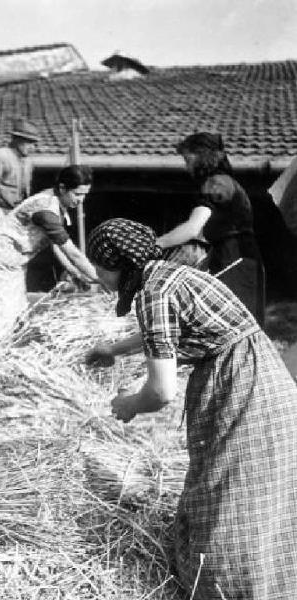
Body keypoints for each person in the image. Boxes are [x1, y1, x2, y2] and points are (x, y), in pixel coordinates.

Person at [86, 218, 297, 600]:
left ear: (118, 263)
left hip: (244, 388)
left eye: (100, 266)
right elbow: (161, 330)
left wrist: (129, 404)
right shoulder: (171, 275)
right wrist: (113, 350)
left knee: (232, 492)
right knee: (264, 490)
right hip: (264, 377)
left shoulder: (152, 292)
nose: (98, 275)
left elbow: (162, 391)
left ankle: (231, 589)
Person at [0, 165, 99, 347]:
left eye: (85, 195)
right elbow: (72, 253)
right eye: (77, 194)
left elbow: (56, 246)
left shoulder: (57, 204)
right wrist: (98, 278)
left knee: (17, 312)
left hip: (14, 263)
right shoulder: (45, 208)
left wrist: (76, 274)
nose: (81, 200)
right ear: (62, 188)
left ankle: (6, 354)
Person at [157, 131, 265, 324]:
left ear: (203, 156)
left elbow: (192, 228)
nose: (186, 166)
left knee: (231, 323)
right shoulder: (226, 182)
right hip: (241, 255)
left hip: (233, 257)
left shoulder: (216, 184)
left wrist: (157, 243)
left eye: (188, 159)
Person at [0, 117, 39, 231]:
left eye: (34, 143)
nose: (33, 147)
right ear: (17, 140)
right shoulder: (0, 156)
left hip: (16, 214)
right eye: (29, 142)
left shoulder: (28, 162)